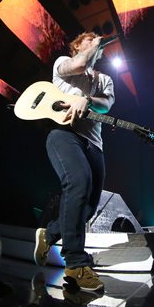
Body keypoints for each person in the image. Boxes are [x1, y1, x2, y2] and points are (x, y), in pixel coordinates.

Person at [34, 30, 115, 293]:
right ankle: (76, 264)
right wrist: (93, 47)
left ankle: (49, 233)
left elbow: (107, 105)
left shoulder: (104, 78)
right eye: (89, 40)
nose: (96, 43)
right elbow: (80, 63)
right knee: (78, 182)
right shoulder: (63, 65)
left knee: (89, 207)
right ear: (78, 46)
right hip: (64, 134)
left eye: (97, 42)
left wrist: (87, 99)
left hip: (94, 144)